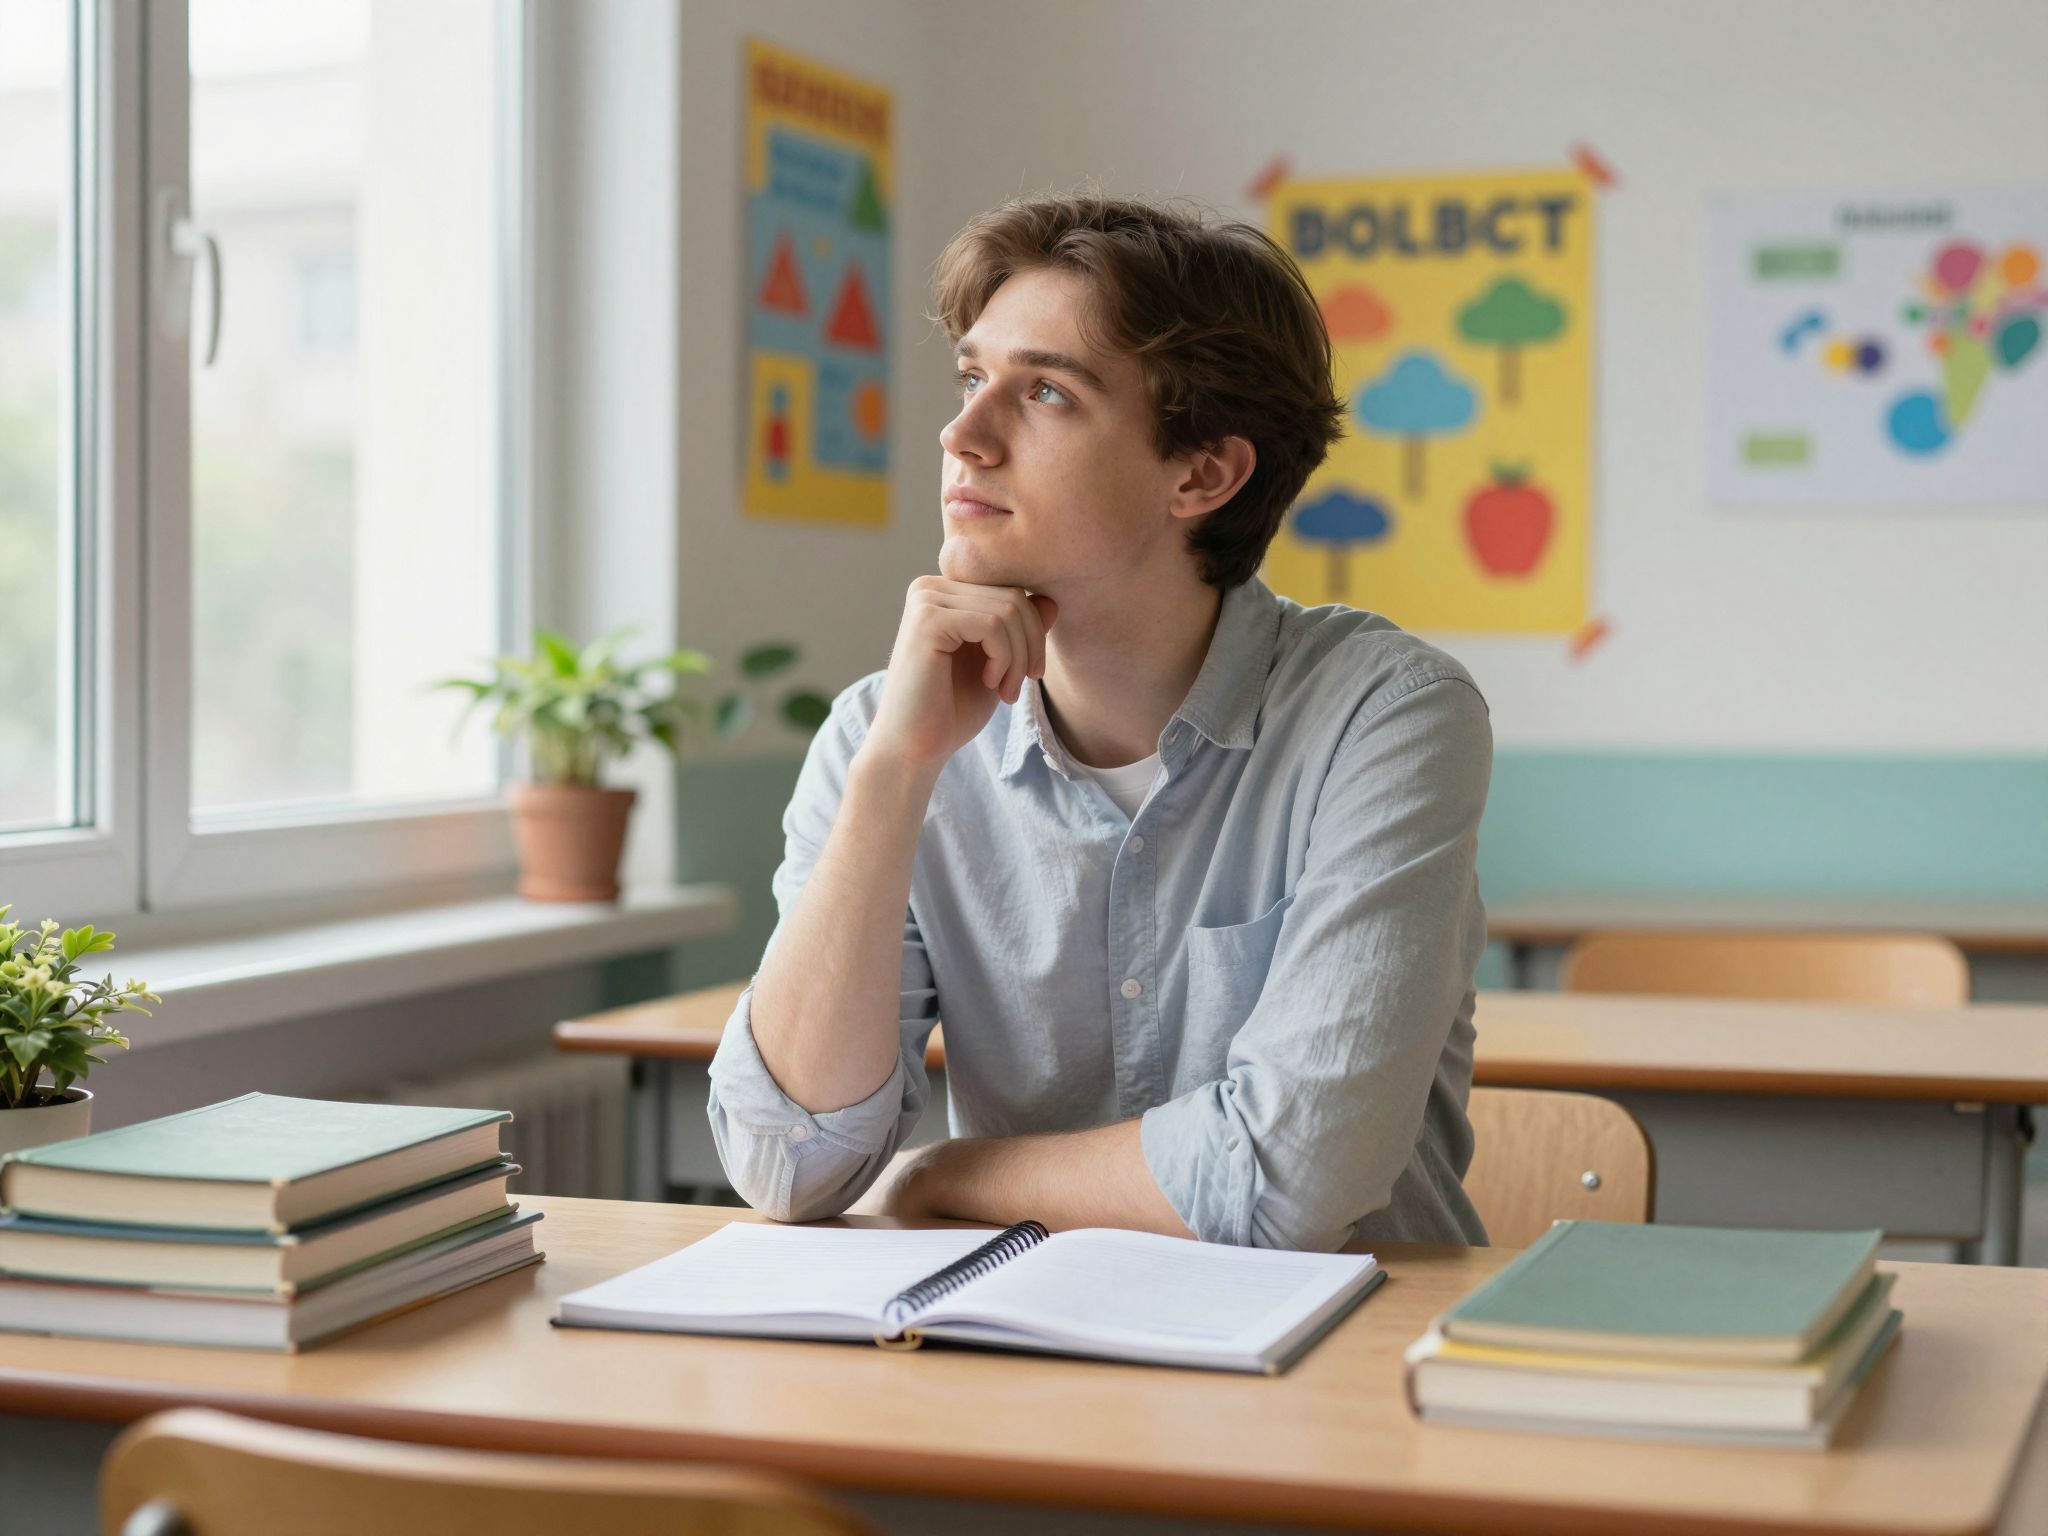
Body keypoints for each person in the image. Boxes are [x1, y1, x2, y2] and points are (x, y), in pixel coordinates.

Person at [707, 193, 1492, 1251]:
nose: (960, 435)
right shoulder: (875, 732)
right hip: (1013, 1360)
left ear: (1201, 472)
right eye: (974, 377)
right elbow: (784, 1163)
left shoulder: (1384, 716)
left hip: (1333, 1377)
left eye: (1043, 391)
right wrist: (894, 775)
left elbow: (1284, 1177)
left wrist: (945, 1172)